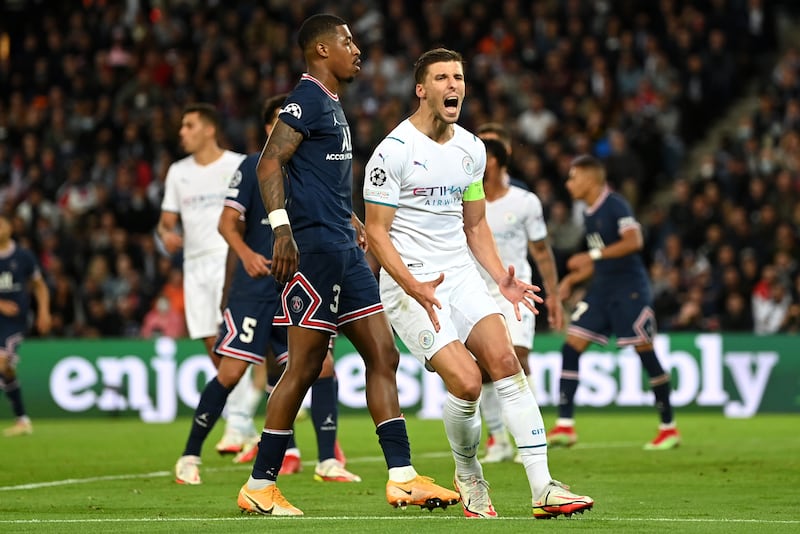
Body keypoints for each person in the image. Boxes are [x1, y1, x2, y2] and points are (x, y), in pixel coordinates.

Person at [237, 14, 460, 517]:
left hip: (343, 246)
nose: (357, 50)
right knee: (306, 365)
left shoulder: (334, 105)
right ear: (321, 51)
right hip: (312, 250)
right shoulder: (307, 100)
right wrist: (280, 228)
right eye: (347, 42)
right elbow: (269, 162)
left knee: (384, 354)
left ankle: (402, 477)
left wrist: (355, 220)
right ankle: (260, 482)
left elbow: (319, 179)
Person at [363, 47, 593, 519]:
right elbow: (377, 235)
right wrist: (410, 285)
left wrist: (500, 278)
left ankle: (543, 486)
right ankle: (468, 476)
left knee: (507, 361)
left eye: (459, 77)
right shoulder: (392, 152)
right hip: (410, 287)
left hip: (461, 275)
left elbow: (475, 226)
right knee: (467, 383)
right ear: (421, 89)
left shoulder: (472, 149)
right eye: (443, 78)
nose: (454, 86)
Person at [174, 94, 359, 486]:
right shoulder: (253, 165)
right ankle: (189, 455)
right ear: (267, 128)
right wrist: (246, 255)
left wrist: (352, 221)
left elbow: (334, 206)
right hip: (257, 285)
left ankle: (328, 460)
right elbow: (227, 223)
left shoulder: (314, 167)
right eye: (279, 121)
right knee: (231, 370)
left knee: (320, 365)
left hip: (300, 281)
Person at [548, 154, 679, 450]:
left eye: (573, 177)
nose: (568, 184)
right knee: (571, 346)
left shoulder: (615, 204)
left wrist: (591, 256)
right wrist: (571, 280)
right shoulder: (589, 212)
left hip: (630, 290)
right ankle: (565, 426)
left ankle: (668, 427)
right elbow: (605, 255)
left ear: (590, 179)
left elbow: (634, 242)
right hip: (602, 290)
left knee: (645, 352)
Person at [157, 103, 259, 455]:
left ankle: (239, 424)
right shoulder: (178, 172)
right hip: (195, 265)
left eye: (189, 125)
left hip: (229, 260)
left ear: (209, 130)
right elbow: (166, 221)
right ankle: (243, 422)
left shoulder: (238, 164)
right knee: (214, 348)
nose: (181, 132)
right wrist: (166, 234)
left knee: (235, 345)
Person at [473, 136, 564, 464]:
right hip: (477, 291)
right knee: (482, 369)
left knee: (517, 359)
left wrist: (553, 296)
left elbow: (541, 251)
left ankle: (531, 438)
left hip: (515, 293)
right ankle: (498, 440)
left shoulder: (525, 202)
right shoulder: (466, 201)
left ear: (493, 161)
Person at [0, 214, 51, 436]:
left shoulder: (23, 256)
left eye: (2, 223)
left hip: (13, 323)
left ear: (10, 227)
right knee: (7, 370)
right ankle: (22, 419)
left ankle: (22, 419)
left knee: (1, 362)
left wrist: (44, 312)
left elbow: (39, 286)